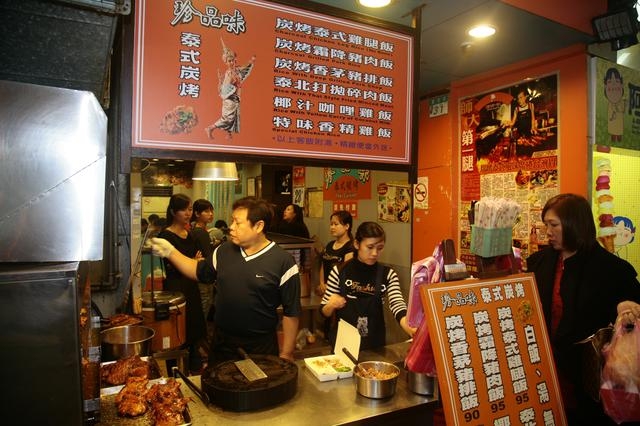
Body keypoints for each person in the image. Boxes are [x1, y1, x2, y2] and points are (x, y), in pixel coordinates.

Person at [526, 193, 640, 425]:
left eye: (554, 225)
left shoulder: (612, 269)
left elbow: (628, 304)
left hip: (589, 375)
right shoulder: (539, 262)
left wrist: (624, 308)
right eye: (546, 225)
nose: (548, 232)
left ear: (574, 224)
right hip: (547, 366)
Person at [149, 196, 301, 365]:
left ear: (259, 226)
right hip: (222, 344)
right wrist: (170, 251)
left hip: (259, 347)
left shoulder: (283, 261)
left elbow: (291, 312)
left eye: (238, 223)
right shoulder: (224, 251)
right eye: (232, 221)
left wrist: (287, 353)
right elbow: (198, 271)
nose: (231, 227)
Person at [320, 221, 416, 350]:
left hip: (375, 345)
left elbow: (397, 304)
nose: (375, 253)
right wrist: (331, 305)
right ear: (356, 244)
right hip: (344, 346)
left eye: (380, 248)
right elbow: (323, 312)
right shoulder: (339, 271)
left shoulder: (387, 274)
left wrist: (410, 328)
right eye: (370, 247)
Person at [157, 194, 207, 372]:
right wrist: (191, 262)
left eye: (190, 209)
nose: (188, 213)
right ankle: (175, 371)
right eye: (184, 209)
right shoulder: (165, 236)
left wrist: (190, 262)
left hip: (191, 286)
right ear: (173, 211)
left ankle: (194, 367)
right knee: (176, 331)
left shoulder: (190, 234)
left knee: (193, 328)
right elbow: (171, 266)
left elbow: (198, 259)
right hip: (175, 288)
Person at [205, 38, 256, 141]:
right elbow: (226, 88)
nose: (232, 62)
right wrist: (233, 82)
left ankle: (228, 134)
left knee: (234, 117)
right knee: (228, 118)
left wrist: (251, 61)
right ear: (226, 62)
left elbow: (245, 67)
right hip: (230, 98)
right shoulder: (229, 73)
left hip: (236, 97)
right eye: (229, 61)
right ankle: (210, 128)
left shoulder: (236, 70)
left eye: (233, 60)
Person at [318, 210, 354, 296]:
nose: (332, 227)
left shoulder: (350, 248)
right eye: (331, 224)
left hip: (339, 292)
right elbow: (323, 265)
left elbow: (346, 274)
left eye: (336, 224)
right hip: (326, 290)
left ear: (347, 226)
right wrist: (322, 283)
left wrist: (331, 287)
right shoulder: (329, 245)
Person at [190, 199, 215, 321]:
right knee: (204, 307)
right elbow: (208, 256)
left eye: (211, 211)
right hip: (203, 275)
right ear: (197, 213)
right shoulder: (201, 233)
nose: (211, 214)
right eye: (206, 211)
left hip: (196, 274)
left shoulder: (194, 229)